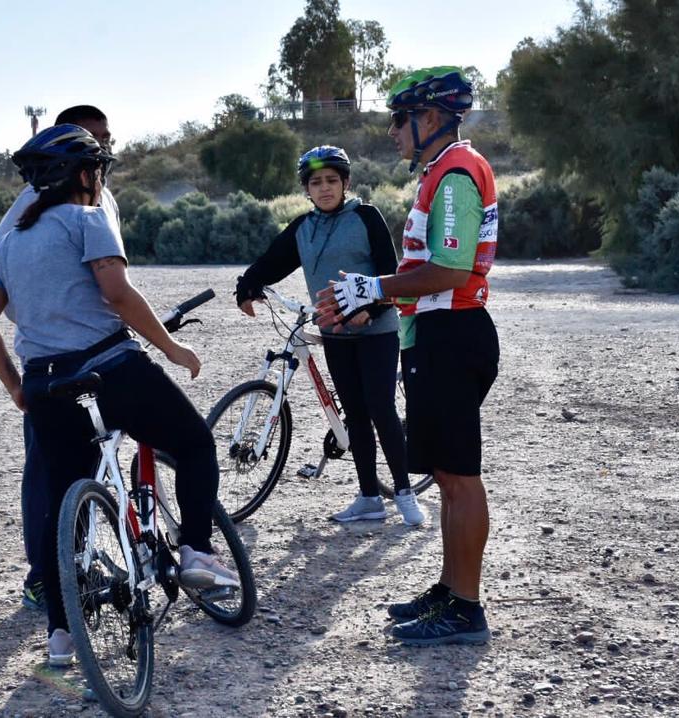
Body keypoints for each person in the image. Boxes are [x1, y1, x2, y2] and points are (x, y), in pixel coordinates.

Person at [0, 124, 237, 665]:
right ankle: (197, 553)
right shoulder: (88, 218)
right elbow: (116, 293)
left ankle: (61, 635)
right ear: (86, 175)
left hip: (47, 383)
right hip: (110, 370)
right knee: (193, 445)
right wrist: (169, 349)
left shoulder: (8, 242)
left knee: (62, 501)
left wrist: (16, 386)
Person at [315, 67, 499, 645]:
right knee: (445, 474)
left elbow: (449, 268)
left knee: (461, 478)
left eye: (399, 120)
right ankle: (451, 589)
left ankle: (467, 607)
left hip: (453, 332)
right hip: (436, 335)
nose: (392, 131)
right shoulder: (439, 173)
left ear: (429, 119)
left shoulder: (455, 174)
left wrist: (373, 288)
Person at [235, 146, 424, 526]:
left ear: (346, 183)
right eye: (316, 183)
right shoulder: (303, 228)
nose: (324, 189)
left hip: (378, 329)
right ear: (306, 188)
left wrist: (371, 310)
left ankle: (403, 493)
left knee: (380, 409)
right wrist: (247, 286)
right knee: (354, 414)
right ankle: (369, 497)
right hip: (334, 331)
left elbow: (391, 272)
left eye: (332, 181)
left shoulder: (366, 217)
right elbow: (271, 262)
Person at [0, 105, 116, 613]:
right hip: (55, 359)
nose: (105, 147)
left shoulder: (98, 195)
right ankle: (44, 577)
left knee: (89, 464)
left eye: (107, 137)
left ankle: (76, 562)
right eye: (94, 138)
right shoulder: (32, 202)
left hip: (97, 353)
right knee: (47, 472)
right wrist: (47, 322)